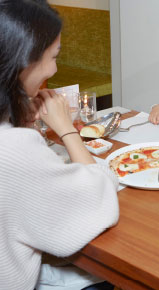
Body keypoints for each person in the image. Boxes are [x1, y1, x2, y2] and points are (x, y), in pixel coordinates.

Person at [0, 1, 119, 289]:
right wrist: (66, 129)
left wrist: (22, 123)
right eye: (54, 56)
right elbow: (100, 197)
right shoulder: (13, 150)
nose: (54, 69)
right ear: (24, 60)